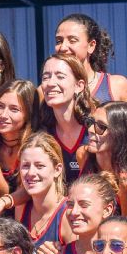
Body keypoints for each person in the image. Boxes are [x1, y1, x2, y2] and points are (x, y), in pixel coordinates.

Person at [79, 101, 127, 215]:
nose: (90, 129)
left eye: (101, 126)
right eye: (90, 122)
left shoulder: (125, 181)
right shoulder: (83, 155)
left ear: (120, 133)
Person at [38, 53, 95, 183]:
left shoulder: (95, 128)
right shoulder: (43, 133)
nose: (50, 83)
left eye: (60, 77)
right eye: (46, 77)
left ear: (79, 86)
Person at [53, 13, 127, 104]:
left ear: (91, 45)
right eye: (59, 41)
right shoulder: (48, 90)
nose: (63, 47)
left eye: (72, 41)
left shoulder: (116, 86)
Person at [13, 133, 72, 253]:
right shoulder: (21, 208)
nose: (31, 173)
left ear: (57, 170)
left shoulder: (68, 215)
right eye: (25, 166)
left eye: (39, 166)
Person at [0, 80, 43, 196]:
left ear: (28, 114)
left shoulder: (37, 146)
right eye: (0, 106)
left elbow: (29, 194)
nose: (3, 115)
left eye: (14, 109)